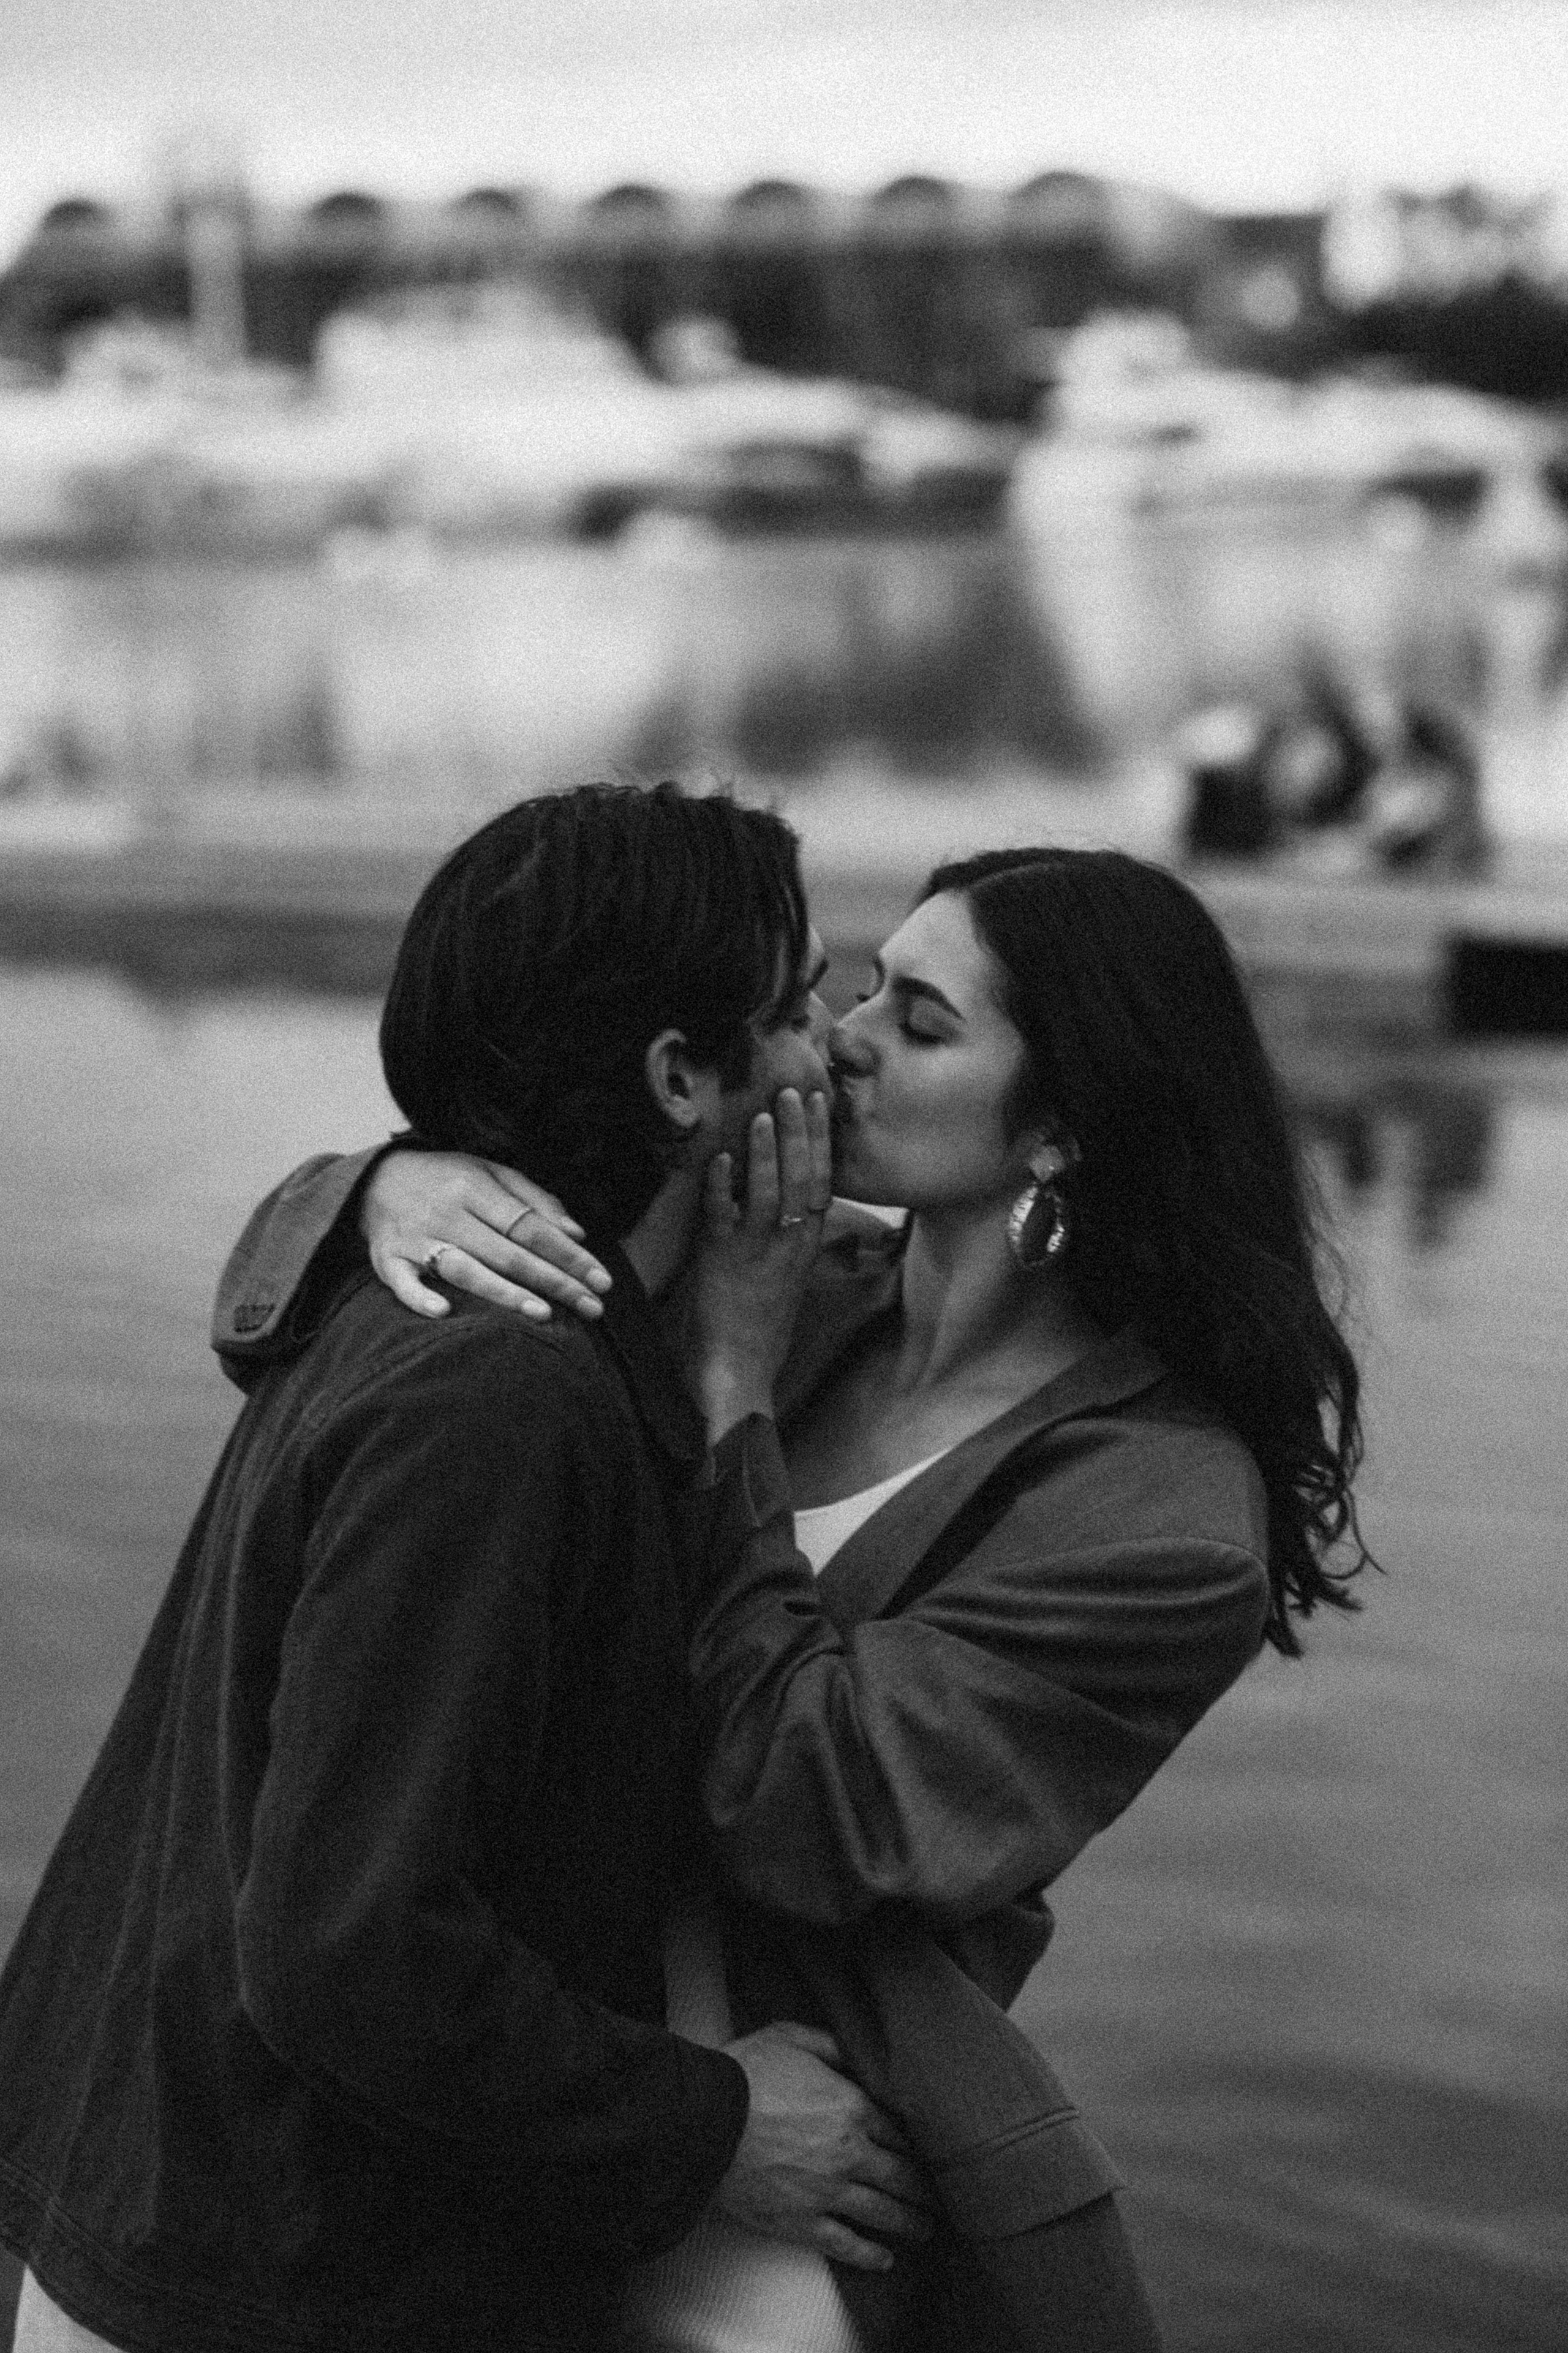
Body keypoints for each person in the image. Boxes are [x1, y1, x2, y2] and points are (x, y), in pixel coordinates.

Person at [213, 841, 1371, 2352]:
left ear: (1064, 1130)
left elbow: (802, 1802)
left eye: (922, 1022)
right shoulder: (784, 1263)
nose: (841, 1035)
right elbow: (314, 1337)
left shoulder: (1158, 1520)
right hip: (531, 2081)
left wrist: (736, 1402)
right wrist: (389, 1182)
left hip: (807, 2141)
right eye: (865, 982)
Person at [0, 785, 940, 2353]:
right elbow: (345, 1949)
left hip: (232, 2236)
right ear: (678, 1076)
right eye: (796, 1004)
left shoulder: (467, 1298)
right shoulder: (501, 1398)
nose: (833, 1042)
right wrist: (714, 2125)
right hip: (265, 2285)